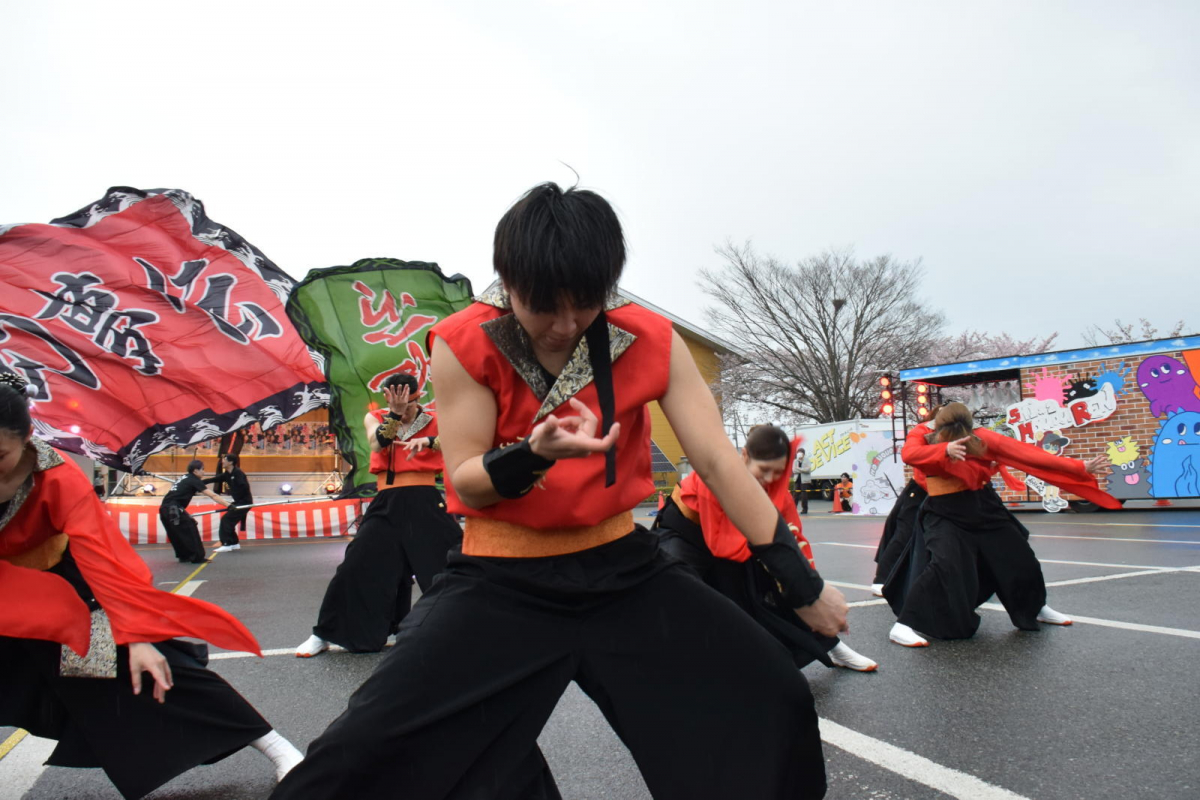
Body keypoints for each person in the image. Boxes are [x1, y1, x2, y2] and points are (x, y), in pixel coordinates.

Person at [271, 182, 847, 800]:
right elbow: (466, 476)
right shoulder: (464, 341)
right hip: (501, 580)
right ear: (509, 284)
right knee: (362, 754)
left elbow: (717, 462)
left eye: (585, 304)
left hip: (625, 573)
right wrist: (532, 454)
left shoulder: (650, 338)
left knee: (770, 698)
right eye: (544, 305)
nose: (564, 325)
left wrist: (802, 584)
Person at [0, 373, 303, 799]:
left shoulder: (60, 477)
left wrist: (137, 636)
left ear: (28, 437)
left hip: (68, 584)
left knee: (151, 668)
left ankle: (277, 748)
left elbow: (104, 559)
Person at [884, 402, 1117, 647]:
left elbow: (1027, 455)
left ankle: (1035, 607)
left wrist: (1080, 467)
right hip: (945, 511)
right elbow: (910, 455)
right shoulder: (922, 434)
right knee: (945, 565)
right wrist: (945, 449)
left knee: (1019, 557)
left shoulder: (980, 437)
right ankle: (904, 625)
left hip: (984, 506)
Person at [657, 424, 877, 672]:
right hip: (687, 534)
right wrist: (775, 563)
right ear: (744, 456)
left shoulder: (776, 491)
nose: (771, 479)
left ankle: (830, 645)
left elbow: (794, 542)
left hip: (741, 540)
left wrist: (812, 590)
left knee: (782, 589)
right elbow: (722, 546)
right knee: (676, 596)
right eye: (764, 470)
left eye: (778, 472)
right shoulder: (716, 477)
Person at [295, 372, 462, 657]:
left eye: (406, 403)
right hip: (387, 500)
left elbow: (458, 438)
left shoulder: (436, 417)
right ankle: (324, 633)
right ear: (387, 397)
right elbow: (377, 444)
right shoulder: (377, 417)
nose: (401, 407)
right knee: (355, 565)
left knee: (452, 566)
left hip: (426, 500)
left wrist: (430, 441)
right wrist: (395, 415)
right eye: (394, 401)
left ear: (417, 396)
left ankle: (470, 629)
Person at [868, 411, 937, 597]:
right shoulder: (921, 433)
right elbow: (916, 462)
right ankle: (882, 579)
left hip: (939, 492)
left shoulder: (949, 437)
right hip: (921, 491)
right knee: (903, 535)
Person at [159, 459, 230, 564]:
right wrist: (229, 505)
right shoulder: (193, 480)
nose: (204, 472)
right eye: (202, 469)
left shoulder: (185, 477)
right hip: (174, 509)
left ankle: (184, 556)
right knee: (190, 530)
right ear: (195, 471)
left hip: (165, 508)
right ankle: (197, 557)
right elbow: (212, 495)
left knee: (176, 534)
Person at [211, 452, 252, 553]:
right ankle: (234, 543)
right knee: (229, 522)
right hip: (238, 502)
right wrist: (198, 483)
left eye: (224, 459)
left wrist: (238, 500)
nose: (222, 461)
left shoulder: (238, 473)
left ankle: (227, 543)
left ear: (231, 462)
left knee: (226, 520)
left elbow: (244, 487)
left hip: (244, 502)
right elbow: (215, 479)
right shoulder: (227, 474)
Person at [793, 446, 812, 514]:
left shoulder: (807, 460)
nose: (799, 454)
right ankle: (793, 509)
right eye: (798, 453)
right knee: (795, 495)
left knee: (804, 495)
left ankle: (805, 509)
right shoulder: (795, 461)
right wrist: (802, 470)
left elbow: (808, 470)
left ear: (803, 454)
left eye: (800, 453)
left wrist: (799, 469)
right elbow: (794, 470)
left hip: (804, 480)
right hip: (797, 480)